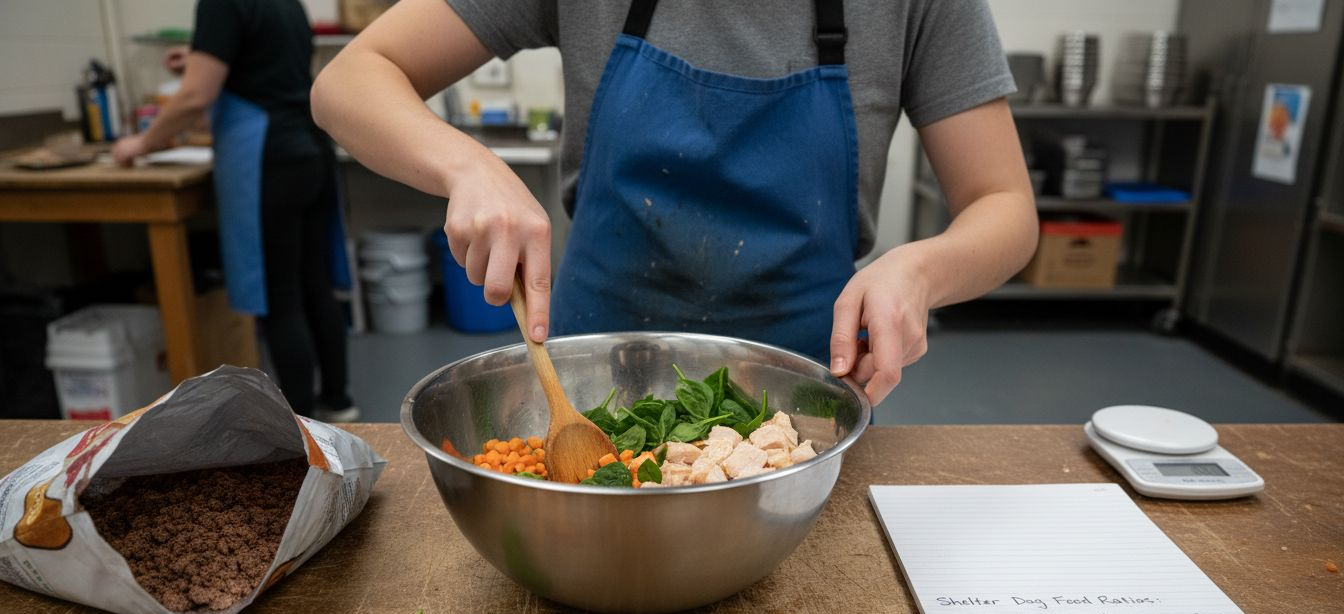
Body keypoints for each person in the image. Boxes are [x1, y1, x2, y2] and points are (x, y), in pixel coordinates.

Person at [312, 0, 1038, 406]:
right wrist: (467, 165)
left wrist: (918, 272)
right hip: (589, 391)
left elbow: (1003, 204)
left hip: (806, 401)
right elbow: (351, 78)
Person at [114, 0, 358, 421]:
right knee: (315, 284)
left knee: (282, 298)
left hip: (270, 157)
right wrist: (198, 57)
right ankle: (339, 402)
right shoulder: (288, 3)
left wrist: (142, 143)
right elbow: (266, 63)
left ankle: (300, 424)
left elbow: (196, 95)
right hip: (311, 148)